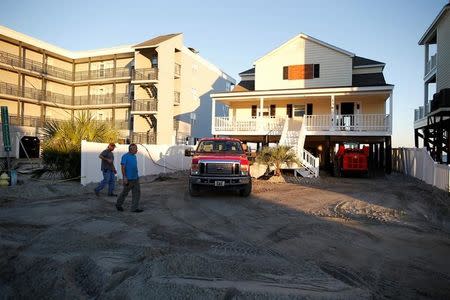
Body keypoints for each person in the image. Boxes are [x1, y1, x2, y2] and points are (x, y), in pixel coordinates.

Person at [115, 144, 143, 213]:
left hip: (135, 178)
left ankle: (134, 208)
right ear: (131, 149)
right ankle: (118, 204)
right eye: (135, 149)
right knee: (125, 193)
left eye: (136, 148)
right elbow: (123, 167)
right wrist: (124, 177)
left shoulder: (134, 156)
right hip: (128, 179)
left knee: (137, 193)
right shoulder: (125, 156)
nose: (137, 150)